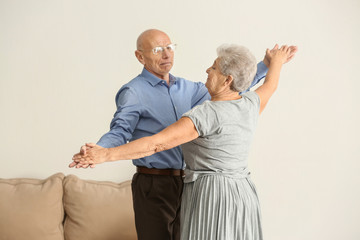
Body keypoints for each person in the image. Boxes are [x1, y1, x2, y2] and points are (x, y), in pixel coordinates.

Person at [69, 29, 297, 240]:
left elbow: (236, 83)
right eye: (158, 50)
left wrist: (265, 64)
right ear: (140, 57)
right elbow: (124, 132)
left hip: (190, 183)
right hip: (155, 182)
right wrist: (100, 150)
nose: (167, 54)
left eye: (170, 47)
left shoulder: (194, 90)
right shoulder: (133, 91)